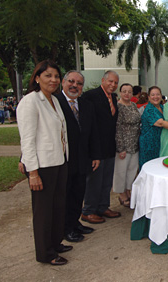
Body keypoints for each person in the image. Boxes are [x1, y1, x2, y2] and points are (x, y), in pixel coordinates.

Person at [17, 60, 71, 265]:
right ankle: (45, 253)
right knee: (43, 212)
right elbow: (27, 140)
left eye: (56, 76)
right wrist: (33, 172)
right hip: (42, 166)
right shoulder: (30, 102)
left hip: (59, 162)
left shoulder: (54, 100)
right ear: (37, 78)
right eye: (48, 75)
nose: (54, 80)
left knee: (58, 207)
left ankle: (55, 243)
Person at [54, 71, 101, 243]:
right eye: (71, 81)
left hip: (83, 158)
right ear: (63, 82)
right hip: (63, 159)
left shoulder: (86, 104)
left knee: (78, 192)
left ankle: (75, 223)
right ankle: (66, 229)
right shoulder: (55, 103)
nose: (75, 85)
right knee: (65, 195)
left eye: (79, 83)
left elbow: (93, 131)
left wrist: (95, 154)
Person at [81, 71, 121, 224]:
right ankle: (88, 210)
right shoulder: (90, 96)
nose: (113, 85)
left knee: (106, 180)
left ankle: (103, 207)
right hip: (95, 148)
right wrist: (91, 151)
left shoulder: (113, 97)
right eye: (110, 81)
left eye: (115, 82)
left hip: (109, 146)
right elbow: (87, 125)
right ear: (103, 80)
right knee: (94, 181)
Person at [113, 83, 141, 207]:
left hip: (135, 143)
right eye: (124, 91)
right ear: (120, 92)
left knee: (131, 170)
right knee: (121, 171)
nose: (127, 94)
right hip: (123, 144)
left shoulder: (134, 105)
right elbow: (117, 128)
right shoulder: (118, 107)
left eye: (129, 91)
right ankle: (122, 194)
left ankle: (128, 191)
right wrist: (121, 148)